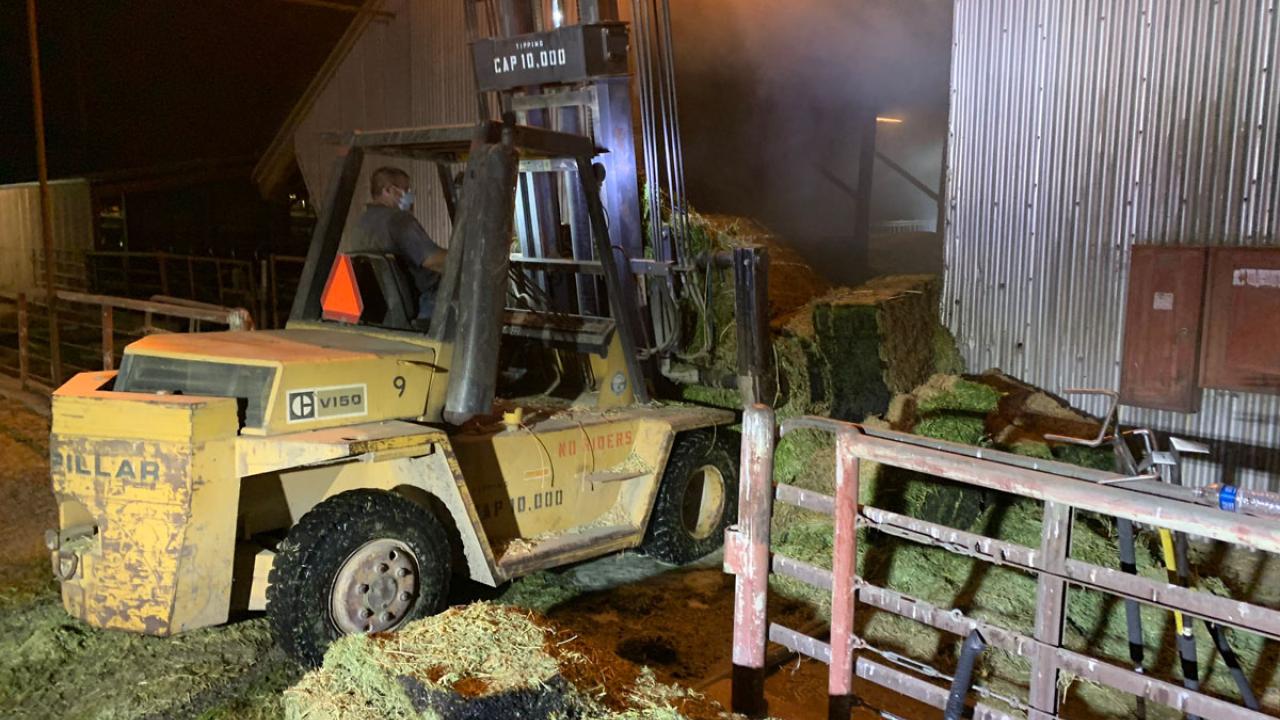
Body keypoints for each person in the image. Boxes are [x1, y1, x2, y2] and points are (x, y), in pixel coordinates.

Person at [339, 166, 446, 320]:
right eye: (406, 189)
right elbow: (432, 260)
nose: (409, 195)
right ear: (388, 190)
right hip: (422, 299)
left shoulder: (361, 222)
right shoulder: (399, 220)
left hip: (384, 303)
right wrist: (463, 256)